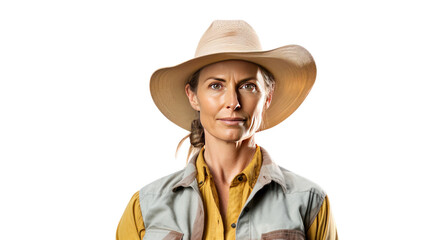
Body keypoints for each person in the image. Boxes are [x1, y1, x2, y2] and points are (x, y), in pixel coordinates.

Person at [117, 20, 338, 240]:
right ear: (193, 96)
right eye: (216, 85)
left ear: (268, 97)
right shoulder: (145, 208)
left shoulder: (309, 203)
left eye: (248, 86)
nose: (233, 102)